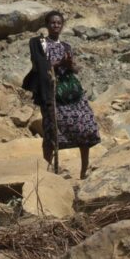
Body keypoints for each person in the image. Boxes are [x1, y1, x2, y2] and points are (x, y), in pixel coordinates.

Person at [24, 11, 99, 177]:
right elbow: (40, 66)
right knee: (51, 131)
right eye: (52, 23)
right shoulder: (40, 43)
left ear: (62, 25)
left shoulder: (66, 46)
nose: (55, 25)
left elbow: (74, 69)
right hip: (51, 92)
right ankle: (47, 171)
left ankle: (83, 170)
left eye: (58, 23)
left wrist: (72, 65)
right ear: (47, 24)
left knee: (85, 124)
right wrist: (58, 64)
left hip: (70, 92)